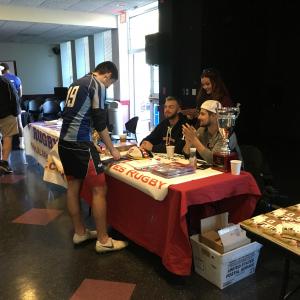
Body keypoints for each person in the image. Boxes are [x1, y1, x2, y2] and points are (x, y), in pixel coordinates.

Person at [58, 61, 128, 253]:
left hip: (64, 143)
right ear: (107, 76)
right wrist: (113, 149)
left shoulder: (76, 83)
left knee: (73, 187)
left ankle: (80, 232)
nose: (107, 87)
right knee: (99, 189)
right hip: (80, 145)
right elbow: (100, 122)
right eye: (110, 83)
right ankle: (104, 239)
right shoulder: (96, 84)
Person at [182, 100, 241, 164]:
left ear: (214, 116)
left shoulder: (226, 134)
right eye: (199, 114)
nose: (199, 117)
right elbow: (186, 155)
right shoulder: (201, 130)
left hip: (232, 172)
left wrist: (194, 140)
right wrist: (189, 142)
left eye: (202, 114)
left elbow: (215, 160)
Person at [0, 65, 20, 174]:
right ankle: (4, 162)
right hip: (6, 114)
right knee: (7, 137)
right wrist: (16, 112)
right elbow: (14, 97)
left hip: (5, 113)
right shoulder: (5, 81)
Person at [0, 62, 24, 149]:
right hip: (15, 106)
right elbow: (20, 94)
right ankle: (22, 144)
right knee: (19, 124)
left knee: (4, 130)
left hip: (4, 108)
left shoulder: (2, 79)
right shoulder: (17, 78)